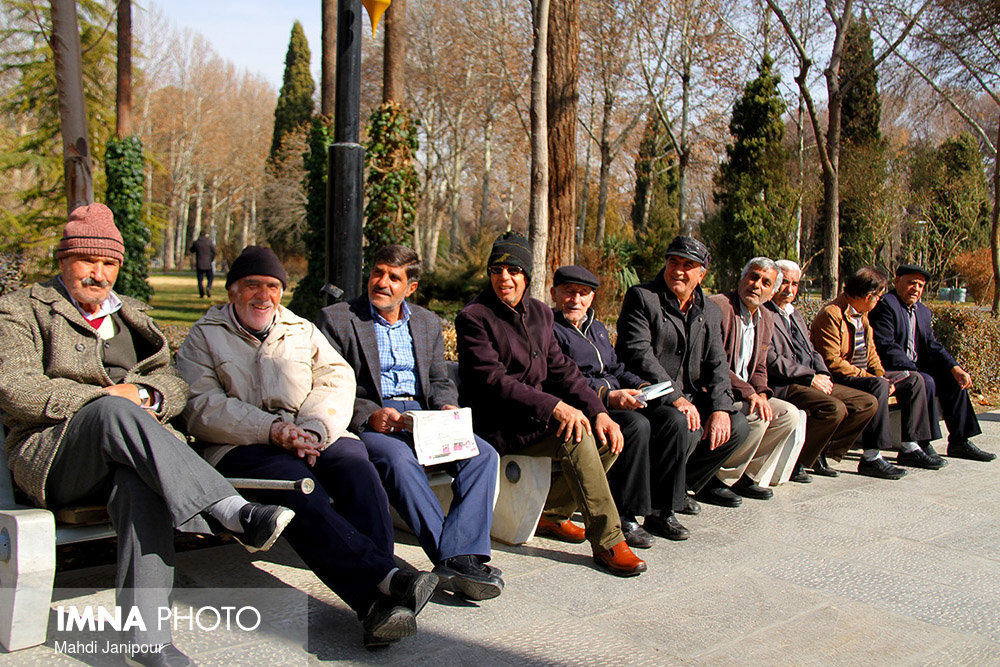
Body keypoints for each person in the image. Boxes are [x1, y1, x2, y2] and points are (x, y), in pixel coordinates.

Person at [0, 205, 293, 667]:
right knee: (113, 411)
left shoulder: (133, 315)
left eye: (109, 264)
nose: (99, 274)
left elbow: (175, 384)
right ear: (63, 260)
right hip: (57, 456)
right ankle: (229, 509)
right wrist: (106, 399)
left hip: (134, 453)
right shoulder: (22, 309)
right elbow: (16, 388)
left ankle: (147, 641)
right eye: (87, 261)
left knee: (139, 484)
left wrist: (144, 394)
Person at [176, 246, 438, 650]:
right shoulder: (204, 336)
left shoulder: (300, 329)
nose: (263, 296)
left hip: (312, 434)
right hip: (241, 446)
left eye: (273, 286)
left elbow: (336, 379)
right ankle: (380, 592)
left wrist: (313, 429)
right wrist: (275, 431)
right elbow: (202, 408)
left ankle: (383, 599)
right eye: (252, 286)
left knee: (357, 465)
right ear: (232, 291)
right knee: (297, 486)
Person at [316, 244, 503, 600]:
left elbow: (438, 381)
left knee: (484, 456)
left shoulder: (427, 322)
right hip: (377, 418)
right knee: (399, 461)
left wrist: (448, 405)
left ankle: (457, 556)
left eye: (394, 277)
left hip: (425, 416)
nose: (382, 282)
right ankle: (454, 559)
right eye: (377, 273)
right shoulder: (338, 318)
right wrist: (370, 414)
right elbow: (328, 383)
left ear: (411, 288)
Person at [455, 232, 646, 577]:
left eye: (513, 270)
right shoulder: (475, 316)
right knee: (576, 437)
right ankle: (609, 541)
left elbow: (564, 371)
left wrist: (599, 412)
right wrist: (555, 407)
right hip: (498, 424)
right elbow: (494, 382)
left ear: (527, 275)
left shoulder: (541, 313)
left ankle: (552, 515)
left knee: (608, 436)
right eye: (496, 270)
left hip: (535, 418)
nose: (504, 278)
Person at [550, 265, 695, 545]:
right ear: (555, 293)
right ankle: (625, 514)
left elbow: (615, 366)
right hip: (583, 405)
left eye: (583, 294)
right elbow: (562, 379)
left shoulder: (597, 327)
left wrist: (641, 387)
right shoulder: (550, 329)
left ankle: (662, 510)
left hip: (619, 397)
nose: (576, 300)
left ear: (592, 298)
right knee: (636, 426)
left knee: (672, 419)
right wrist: (607, 396)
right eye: (569, 293)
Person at [616, 236, 750, 509]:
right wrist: (676, 397)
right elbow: (639, 354)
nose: (678, 270)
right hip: (648, 392)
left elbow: (717, 363)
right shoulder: (643, 297)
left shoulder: (709, 310)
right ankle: (663, 509)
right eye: (673, 261)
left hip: (689, 395)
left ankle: (681, 486)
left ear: (701, 273)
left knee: (737, 427)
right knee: (681, 423)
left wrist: (720, 408)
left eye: (688, 265)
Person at [810, 267, 939, 479]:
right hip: (842, 378)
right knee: (878, 386)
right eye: (878, 296)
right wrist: (873, 378)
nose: (879, 300)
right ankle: (871, 457)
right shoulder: (831, 314)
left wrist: (880, 373)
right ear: (868, 296)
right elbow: (832, 362)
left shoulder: (863, 314)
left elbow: (872, 352)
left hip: (864, 376)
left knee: (914, 380)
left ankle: (910, 446)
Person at [765, 260, 878, 478]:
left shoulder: (794, 313)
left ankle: (818, 450)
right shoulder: (764, 312)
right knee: (834, 409)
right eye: (784, 282)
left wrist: (823, 373)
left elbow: (811, 350)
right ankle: (799, 460)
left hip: (811, 378)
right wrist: (810, 377)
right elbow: (771, 359)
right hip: (786, 383)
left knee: (866, 403)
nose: (789, 289)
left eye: (795, 284)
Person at [870, 264, 994, 462]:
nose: (916, 289)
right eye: (911, 283)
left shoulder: (923, 312)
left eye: (920, 285)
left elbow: (932, 345)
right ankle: (922, 442)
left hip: (915, 368)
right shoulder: (886, 305)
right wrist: (913, 370)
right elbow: (886, 346)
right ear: (897, 281)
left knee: (954, 380)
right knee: (925, 380)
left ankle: (959, 441)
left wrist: (954, 367)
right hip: (890, 368)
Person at [708, 258, 800, 497]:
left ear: (771, 292)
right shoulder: (719, 307)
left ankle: (747, 476)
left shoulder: (766, 318)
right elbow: (712, 363)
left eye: (765, 282)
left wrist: (760, 393)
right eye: (753, 277)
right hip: (715, 390)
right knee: (757, 414)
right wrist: (750, 394)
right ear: (741, 279)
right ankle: (718, 479)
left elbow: (759, 367)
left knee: (787, 415)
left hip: (744, 392)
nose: (757, 285)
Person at [189, 230, 216, 298]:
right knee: (210, 277)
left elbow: (191, 250)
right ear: (206, 235)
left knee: (200, 279)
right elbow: (214, 251)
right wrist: (211, 259)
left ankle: (202, 293)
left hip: (199, 263)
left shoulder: (197, 242)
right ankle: (208, 287)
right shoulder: (209, 242)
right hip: (208, 263)